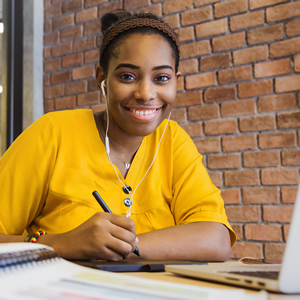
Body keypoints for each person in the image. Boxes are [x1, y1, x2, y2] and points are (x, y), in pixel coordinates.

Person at [0, 10, 236, 261]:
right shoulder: (52, 133)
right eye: (127, 76)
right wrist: (62, 244)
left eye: (162, 78)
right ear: (102, 79)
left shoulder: (173, 142)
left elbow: (216, 238)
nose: (146, 93)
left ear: (176, 82)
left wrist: (122, 247)